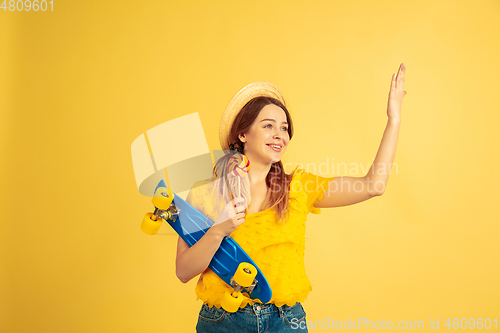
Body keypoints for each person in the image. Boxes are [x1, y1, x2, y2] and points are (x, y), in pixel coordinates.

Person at [175, 64, 407, 332]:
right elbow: (183, 271)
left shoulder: (298, 187)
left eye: (284, 128)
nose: (279, 135)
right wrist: (219, 231)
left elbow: (373, 185)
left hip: (286, 322)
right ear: (242, 134)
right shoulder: (205, 194)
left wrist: (394, 119)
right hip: (223, 322)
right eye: (268, 125)